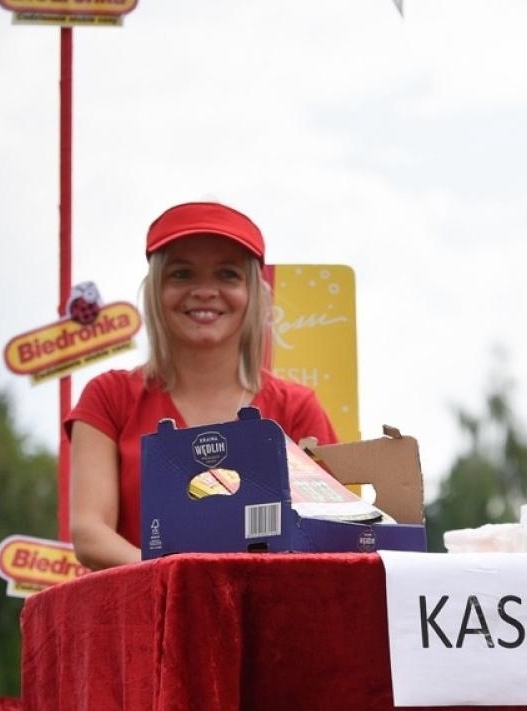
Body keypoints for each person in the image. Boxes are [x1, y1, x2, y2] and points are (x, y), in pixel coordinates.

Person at [68, 202, 338, 570]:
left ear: (254, 294)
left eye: (227, 275)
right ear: (156, 291)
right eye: (182, 274)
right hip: (144, 619)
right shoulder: (109, 397)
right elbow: (89, 533)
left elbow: (332, 534)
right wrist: (183, 582)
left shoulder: (297, 407)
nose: (205, 291)